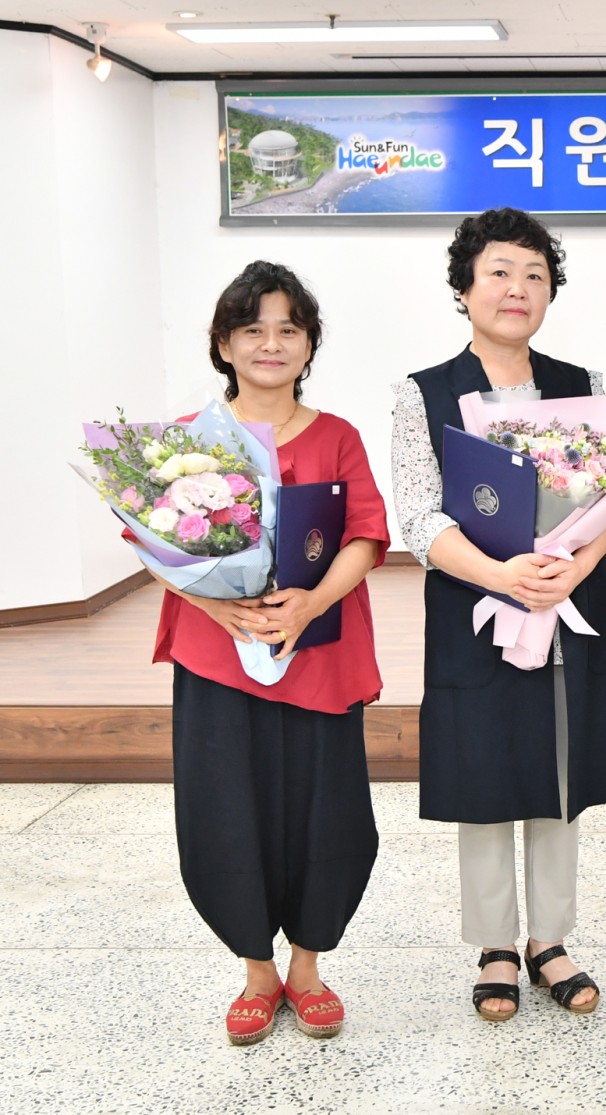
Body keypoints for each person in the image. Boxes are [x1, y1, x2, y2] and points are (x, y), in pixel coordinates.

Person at [391, 208, 606, 1022]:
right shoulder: (423, 392)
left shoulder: (584, 385)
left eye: (535, 275)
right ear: (465, 287)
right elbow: (418, 516)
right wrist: (502, 574)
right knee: (485, 765)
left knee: (561, 764)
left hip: (568, 600)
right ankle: (496, 942)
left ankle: (550, 939)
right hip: (475, 602)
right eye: (499, 272)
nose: (517, 288)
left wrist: (575, 564)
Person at [148, 260, 388, 1045]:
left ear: (310, 343)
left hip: (317, 654)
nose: (271, 344)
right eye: (253, 329)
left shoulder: (337, 435)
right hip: (218, 655)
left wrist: (313, 600)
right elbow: (154, 544)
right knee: (224, 808)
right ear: (224, 343)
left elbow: (366, 535)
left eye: (289, 329)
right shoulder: (190, 439)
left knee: (328, 811)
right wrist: (214, 603)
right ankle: (257, 970)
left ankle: (308, 968)